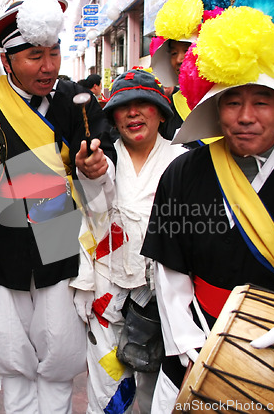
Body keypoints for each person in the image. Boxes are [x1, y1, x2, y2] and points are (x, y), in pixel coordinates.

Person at [141, 2, 274, 413]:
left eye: (262, 101)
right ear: (213, 108)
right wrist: (193, 349)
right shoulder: (182, 173)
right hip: (200, 351)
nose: (245, 117)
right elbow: (170, 272)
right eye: (231, 102)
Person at [0, 0, 113, 413]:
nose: (49, 66)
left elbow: (103, 158)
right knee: (12, 354)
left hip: (59, 236)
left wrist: (95, 167)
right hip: (5, 238)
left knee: (60, 353)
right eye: (35, 55)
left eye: (53, 52)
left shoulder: (77, 99)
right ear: (7, 59)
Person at [71, 68, 186, 413]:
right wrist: (89, 174)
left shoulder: (182, 160)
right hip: (108, 300)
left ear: (162, 112)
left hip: (165, 302)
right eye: (124, 106)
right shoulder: (104, 159)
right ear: (113, 117)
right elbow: (96, 207)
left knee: (161, 397)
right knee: (108, 397)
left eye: (143, 104)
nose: (133, 112)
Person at [150, 0, 230, 141]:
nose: (179, 60)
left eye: (187, 49)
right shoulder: (168, 110)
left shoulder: (231, 96)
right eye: (174, 53)